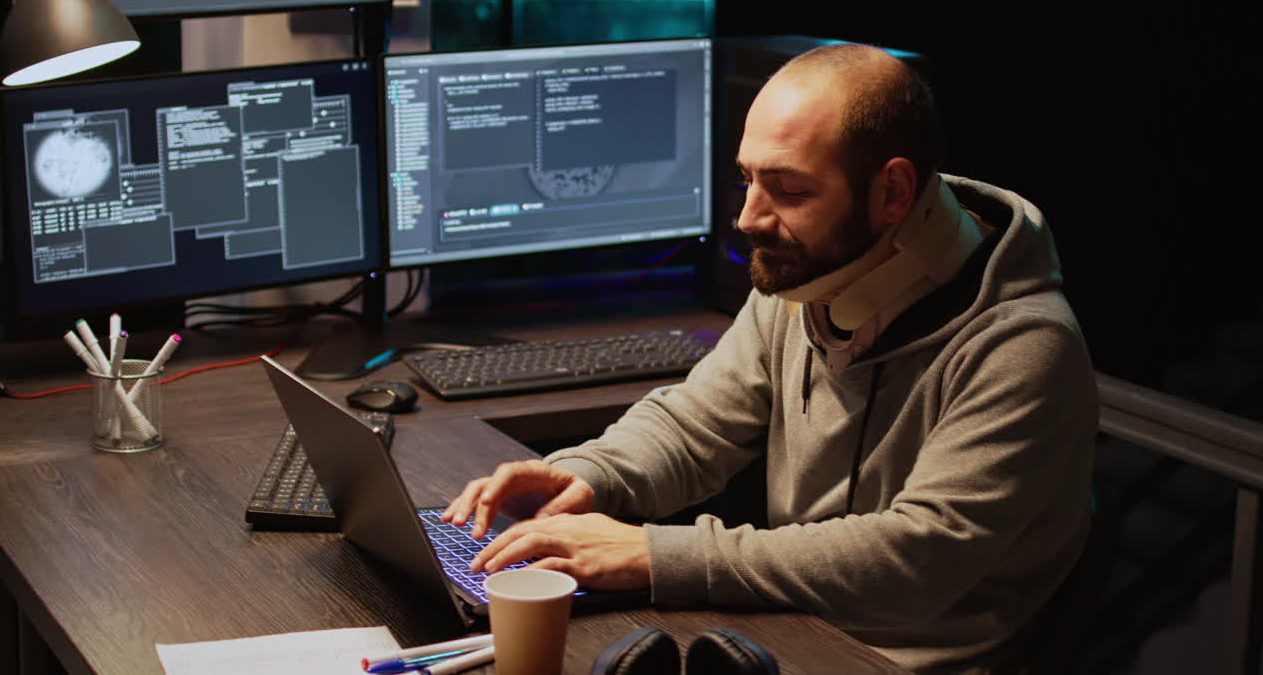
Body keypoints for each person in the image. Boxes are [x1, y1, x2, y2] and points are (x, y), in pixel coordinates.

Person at [442, 43, 1097, 674]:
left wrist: (653, 553)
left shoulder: (1022, 346)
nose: (749, 218)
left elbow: (916, 557)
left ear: (894, 193)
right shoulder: (809, 278)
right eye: (748, 179)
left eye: (788, 189)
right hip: (786, 631)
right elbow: (696, 425)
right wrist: (588, 476)